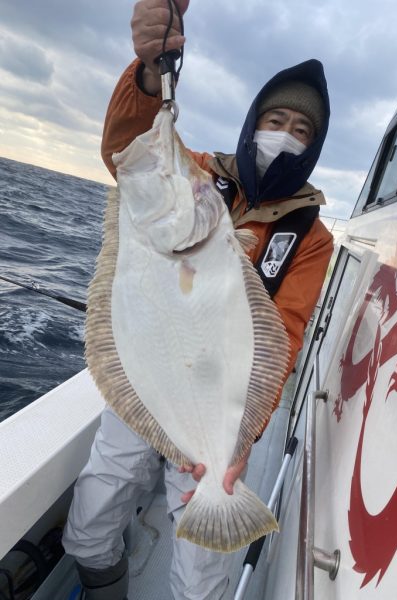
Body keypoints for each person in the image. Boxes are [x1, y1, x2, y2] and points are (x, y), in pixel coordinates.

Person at [62, 1, 334, 598]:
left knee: (201, 574)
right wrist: (147, 73)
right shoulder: (200, 172)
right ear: (252, 121)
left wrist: (240, 442)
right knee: (91, 517)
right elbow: (129, 152)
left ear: (314, 145)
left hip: (218, 406)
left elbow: (282, 336)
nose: (283, 135)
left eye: (301, 129)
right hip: (151, 372)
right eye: (276, 118)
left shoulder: (311, 240)